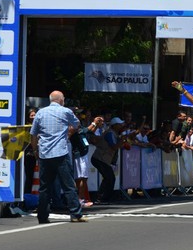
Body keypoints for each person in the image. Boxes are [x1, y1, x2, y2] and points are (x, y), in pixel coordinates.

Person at [29, 91, 87, 223]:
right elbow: (77, 124)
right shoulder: (65, 111)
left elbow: (33, 134)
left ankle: (42, 217)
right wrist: (67, 132)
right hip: (60, 153)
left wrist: (35, 150)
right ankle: (75, 214)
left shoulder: (40, 113)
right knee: (68, 185)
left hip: (44, 154)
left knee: (45, 188)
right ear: (61, 100)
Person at [90, 117, 126, 204]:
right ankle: (102, 198)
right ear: (115, 125)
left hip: (102, 159)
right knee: (110, 178)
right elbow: (113, 146)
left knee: (108, 178)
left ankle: (102, 198)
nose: (121, 125)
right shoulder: (110, 133)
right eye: (119, 124)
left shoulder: (113, 133)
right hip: (100, 158)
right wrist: (121, 141)